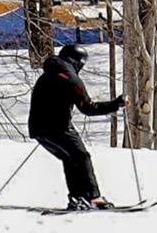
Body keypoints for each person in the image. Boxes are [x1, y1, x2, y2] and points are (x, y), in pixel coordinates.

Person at [28, 43, 126, 210]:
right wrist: (116, 104)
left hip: (37, 129)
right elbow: (88, 108)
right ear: (78, 62)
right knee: (82, 157)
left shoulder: (47, 75)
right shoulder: (70, 78)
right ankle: (94, 197)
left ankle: (78, 197)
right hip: (59, 128)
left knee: (70, 158)